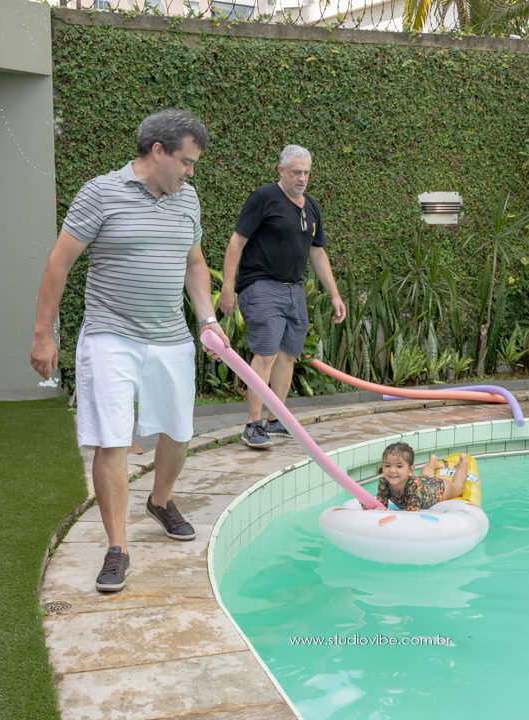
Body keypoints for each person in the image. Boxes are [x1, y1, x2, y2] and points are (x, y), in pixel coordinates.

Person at [29, 109, 229, 593]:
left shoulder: (188, 200)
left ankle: (160, 501)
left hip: (170, 337)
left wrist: (207, 319)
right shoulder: (100, 193)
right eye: (186, 161)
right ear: (158, 151)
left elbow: (195, 263)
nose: (191, 172)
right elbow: (58, 263)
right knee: (112, 439)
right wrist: (43, 334)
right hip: (110, 335)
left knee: (178, 432)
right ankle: (117, 547)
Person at [218, 145, 345, 450]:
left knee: (288, 355)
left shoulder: (311, 206)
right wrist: (227, 286)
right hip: (261, 285)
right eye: (296, 172)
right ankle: (253, 425)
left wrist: (335, 294)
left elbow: (317, 253)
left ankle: (277, 420)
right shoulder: (264, 197)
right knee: (265, 354)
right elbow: (236, 242)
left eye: (306, 173)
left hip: (294, 289)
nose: (302, 178)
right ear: (281, 170)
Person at [370, 442, 470, 511]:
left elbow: (411, 514)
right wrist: (372, 507)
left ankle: (463, 462)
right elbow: (381, 506)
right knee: (425, 476)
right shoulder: (384, 481)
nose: (392, 470)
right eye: (387, 466)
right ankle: (433, 462)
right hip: (423, 482)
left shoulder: (415, 486)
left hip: (438, 489)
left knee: (458, 486)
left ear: (411, 470)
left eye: (399, 466)